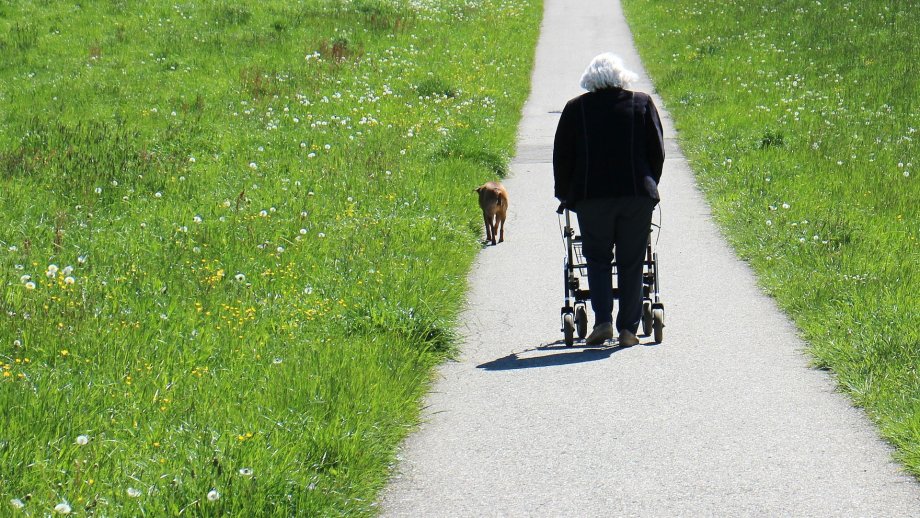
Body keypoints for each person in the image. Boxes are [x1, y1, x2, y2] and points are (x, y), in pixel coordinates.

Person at [553, 53, 665, 346]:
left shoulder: (575, 109)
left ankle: (603, 321)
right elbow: (657, 151)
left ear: (590, 80)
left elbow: (562, 157)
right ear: (621, 77)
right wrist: (650, 183)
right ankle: (628, 329)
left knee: (597, 258)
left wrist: (566, 195)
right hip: (635, 195)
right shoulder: (641, 103)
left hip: (592, 198)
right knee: (632, 260)